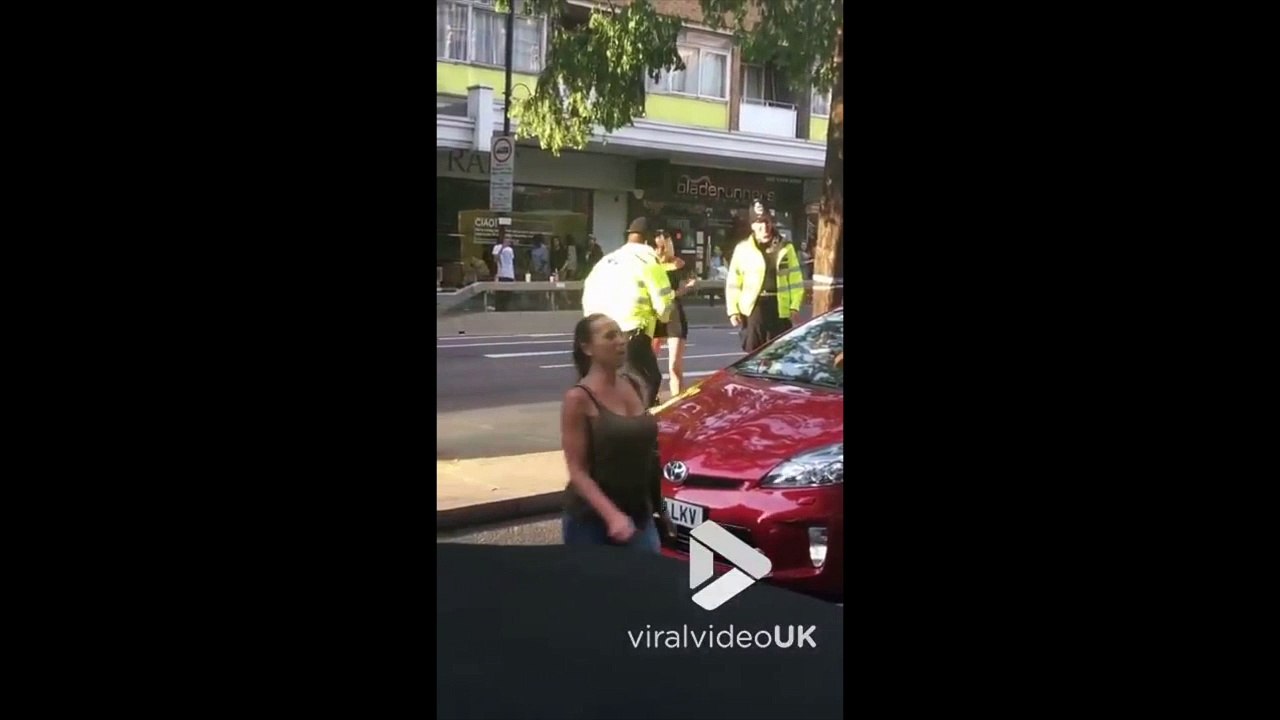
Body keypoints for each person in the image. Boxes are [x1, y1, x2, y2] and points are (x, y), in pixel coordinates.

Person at [561, 313, 676, 550]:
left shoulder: (634, 385)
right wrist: (612, 516)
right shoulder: (578, 398)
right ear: (587, 348)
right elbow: (577, 471)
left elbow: (650, 458)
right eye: (610, 336)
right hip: (592, 523)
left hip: (639, 517)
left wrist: (663, 509)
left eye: (621, 334)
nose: (621, 341)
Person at [580, 217, 673, 407]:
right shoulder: (648, 261)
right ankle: (638, 421)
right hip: (631, 332)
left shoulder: (606, 261)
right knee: (647, 381)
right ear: (651, 240)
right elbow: (664, 305)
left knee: (609, 384)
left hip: (598, 334)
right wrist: (663, 319)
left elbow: (588, 293)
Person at [726, 206, 804, 353]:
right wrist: (733, 310)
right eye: (759, 222)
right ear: (752, 226)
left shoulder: (785, 247)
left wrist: (794, 306)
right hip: (754, 308)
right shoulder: (743, 249)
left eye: (767, 221)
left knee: (778, 353)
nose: (764, 226)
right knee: (754, 353)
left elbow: (795, 280)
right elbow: (733, 282)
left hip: (779, 308)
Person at [651, 231, 699, 396]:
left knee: (675, 368)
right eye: (657, 246)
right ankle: (650, 401)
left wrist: (690, 285)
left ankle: (677, 402)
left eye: (664, 246)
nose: (661, 250)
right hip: (655, 313)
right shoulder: (650, 265)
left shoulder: (679, 264)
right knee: (649, 366)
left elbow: (692, 280)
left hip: (674, 314)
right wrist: (678, 292)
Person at [491, 236, 516, 311]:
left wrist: (513, 276)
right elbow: (496, 259)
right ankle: (499, 309)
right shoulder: (497, 247)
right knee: (500, 293)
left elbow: (510, 263)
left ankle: (506, 309)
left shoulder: (510, 249)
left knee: (508, 294)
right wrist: (502, 247)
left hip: (510, 275)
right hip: (502, 274)